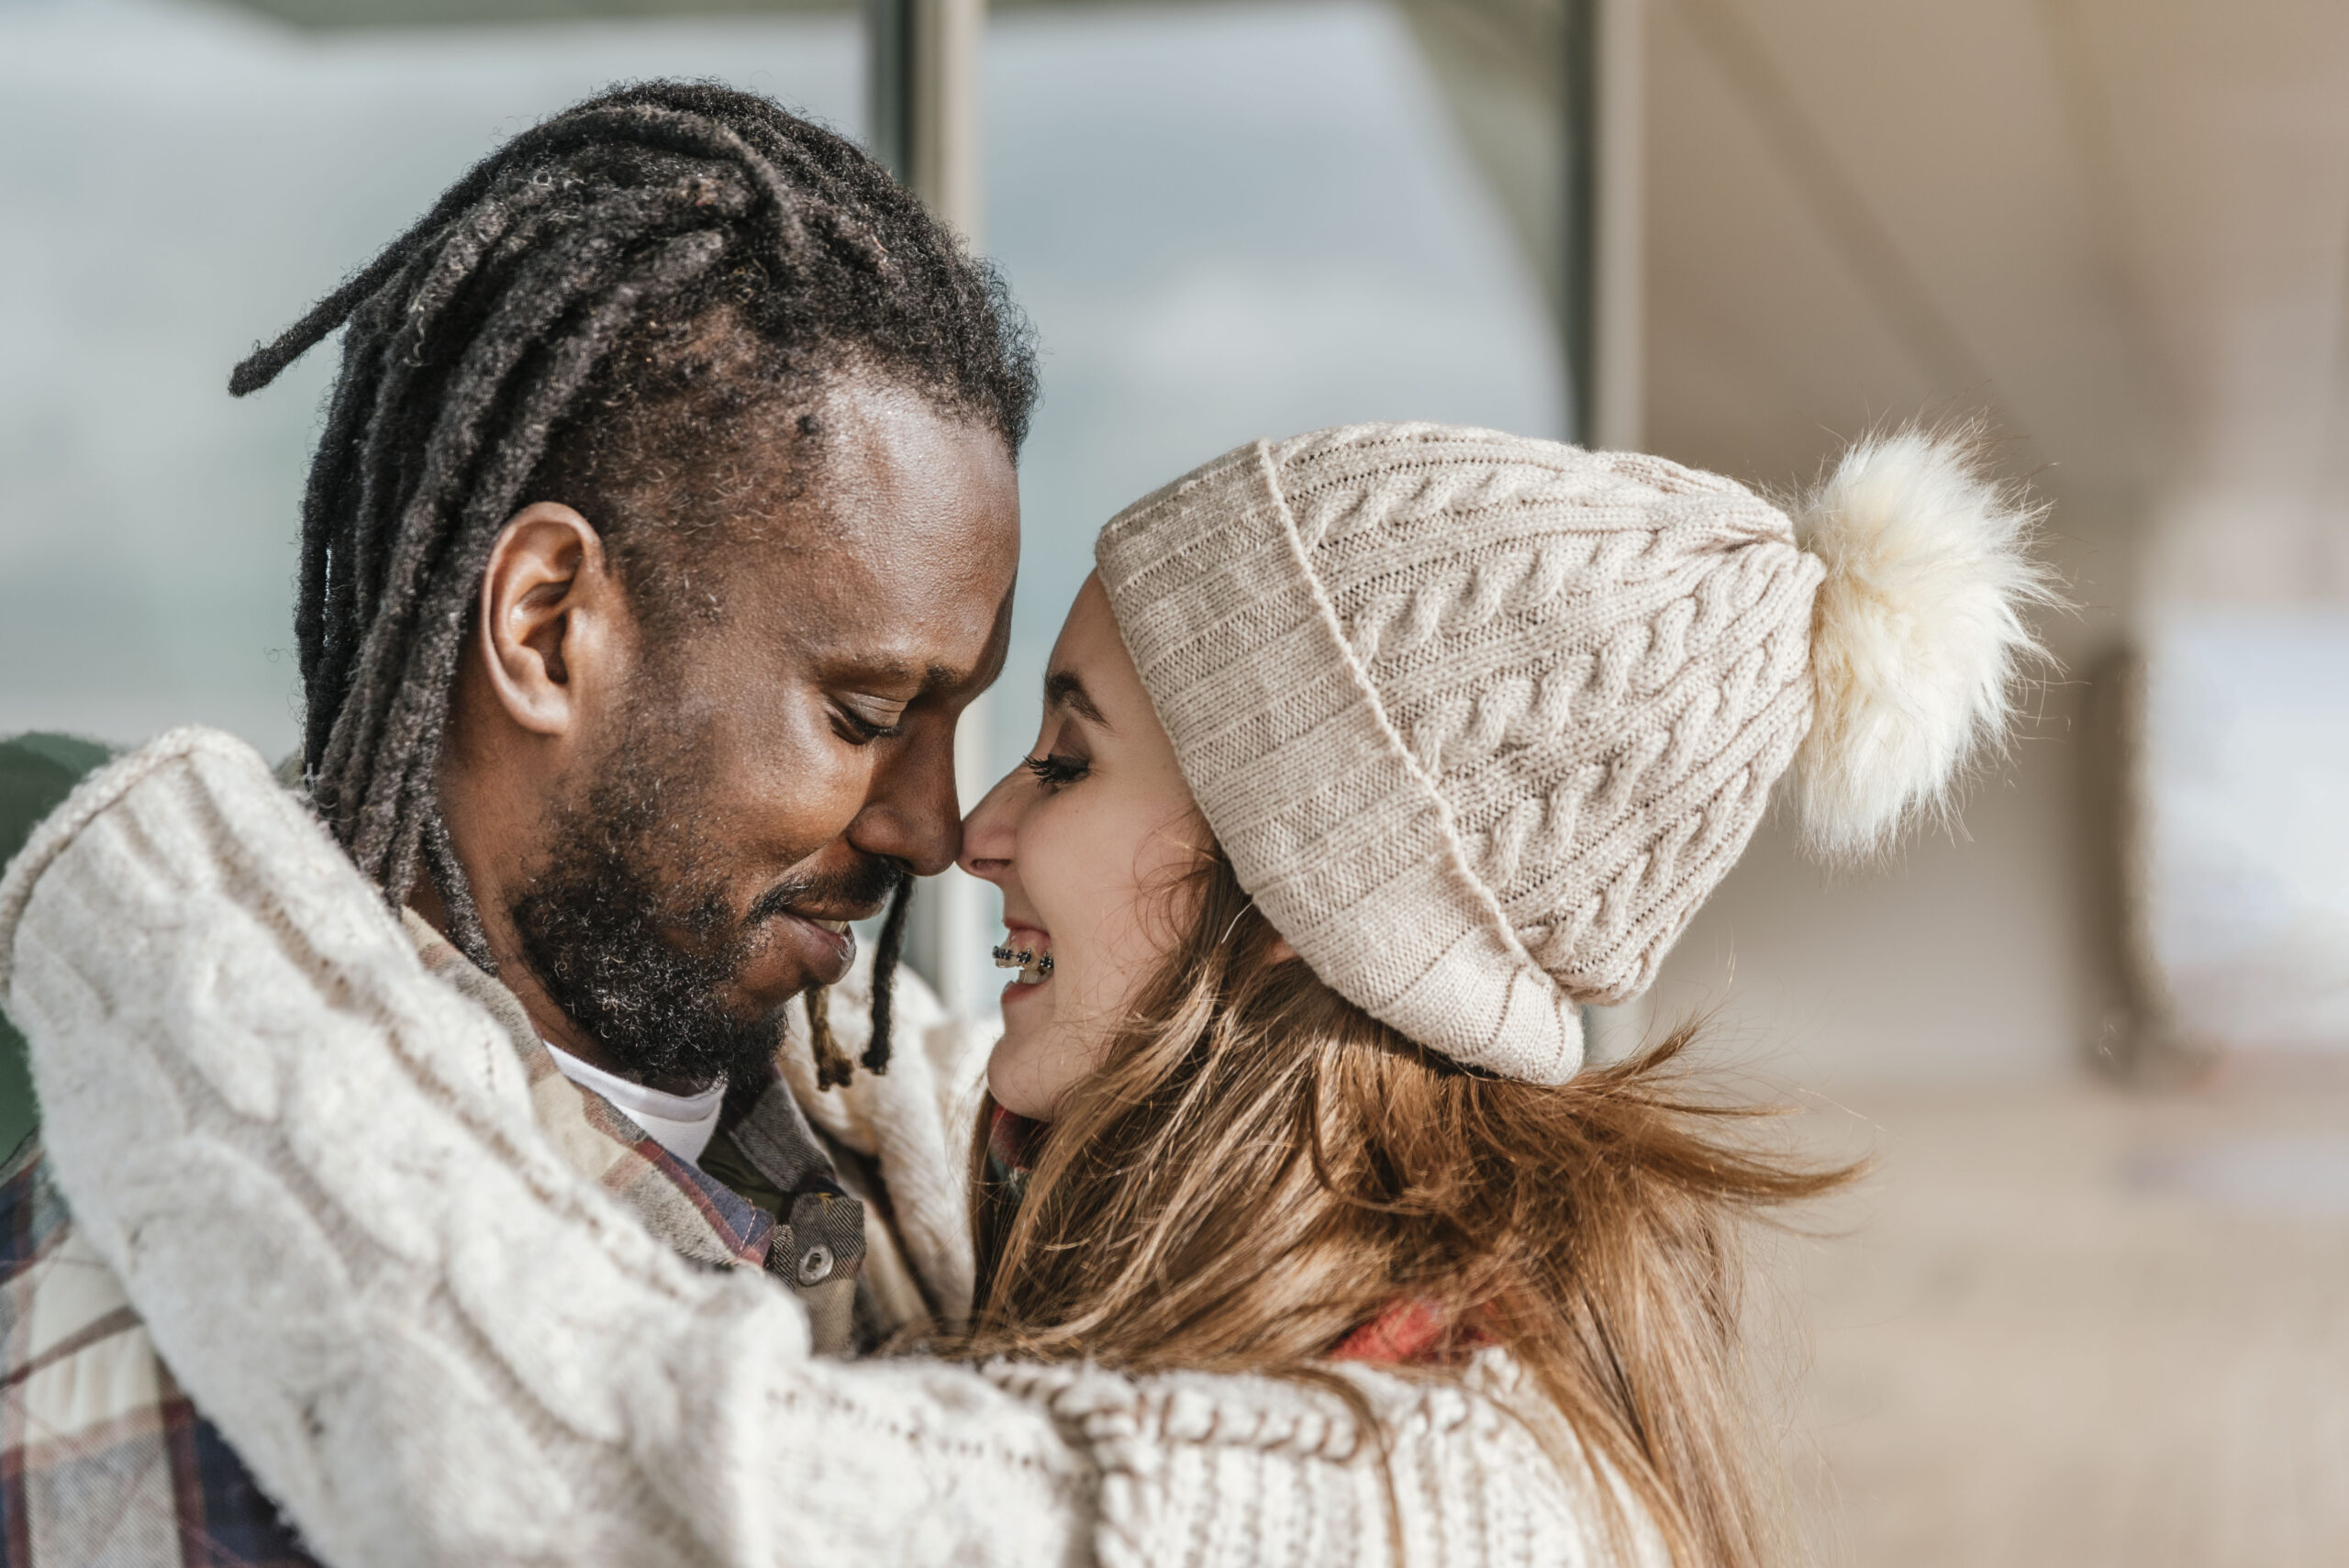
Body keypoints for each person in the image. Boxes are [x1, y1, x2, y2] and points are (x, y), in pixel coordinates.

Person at [1, 420, 2056, 1567]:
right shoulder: (1362, 1343)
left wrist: (123, 868)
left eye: (1061, 756)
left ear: (1288, 907)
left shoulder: (1427, 1519)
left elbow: (617, 1488)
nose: (966, 831)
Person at [0, 81, 1037, 1565]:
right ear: (549, 627)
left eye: (958, 724)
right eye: (866, 718)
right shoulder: (174, 1384)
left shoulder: (939, 1163)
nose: (935, 829)